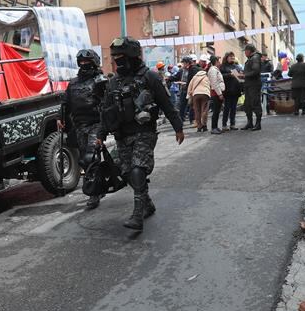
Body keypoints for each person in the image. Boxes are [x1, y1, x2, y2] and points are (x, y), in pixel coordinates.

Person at [98, 37, 184, 232]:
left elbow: (166, 104)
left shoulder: (150, 77)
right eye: (115, 57)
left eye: (121, 56)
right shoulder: (114, 82)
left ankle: (138, 215)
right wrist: (100, 135)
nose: (117, 60)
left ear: (132, 56)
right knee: (127, 173)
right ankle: (147, 203)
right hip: (122, 134)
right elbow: (106, 111)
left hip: (144, 132)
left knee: (138, 170)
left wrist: (178, 127)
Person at [60, 49, 106, 209]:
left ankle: (94, 193)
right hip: (79, 126)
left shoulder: (100, 81)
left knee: (90, 157)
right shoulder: (73, 83)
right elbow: (65, 102)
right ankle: (98, 185)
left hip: (96, 124)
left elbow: (108, 103)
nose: (84, 64)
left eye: (87, 62)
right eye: (82, 62)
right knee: (84, 160)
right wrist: (61, 118)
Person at [238, 44, 263, 131]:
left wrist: (245, 75)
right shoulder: (251, 58)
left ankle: (258, 124)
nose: (245, 53)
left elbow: (256, 70)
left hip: (254, 85)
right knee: (247, 104)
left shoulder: (255, 58)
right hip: (249, 84)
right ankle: (250, 123)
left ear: (249, 51)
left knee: (255, 103)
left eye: (245, 51)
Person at [220, 51, 242, 130]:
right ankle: (224, 125)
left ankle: (232, 124)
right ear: (226, 58)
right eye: (230, 56)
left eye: (233, 56)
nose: (232, 58)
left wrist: (241, 75)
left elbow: (240, 77)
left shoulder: (237, 66)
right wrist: (230, 74)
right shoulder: (223, 67)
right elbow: (220, 76)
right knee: (227, 108)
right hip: (227, 90)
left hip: (236, 90)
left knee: (233, 108)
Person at [188, 60, 211, 132]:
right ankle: (204, 125)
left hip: (196, 94)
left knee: (197, 111)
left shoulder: (194, 77)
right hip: (205, 94)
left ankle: (199, 126)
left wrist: (189, 96)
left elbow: (189, 87)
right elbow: (210, 85)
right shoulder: (206, 77)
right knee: (204, 110)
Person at [207, 55, 226, 134]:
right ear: (215, 61)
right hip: (216, 93)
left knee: (217, 111)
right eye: (218, 61)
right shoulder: (213, 70)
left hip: (217, 92)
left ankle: (215, 126)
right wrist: (219, 94)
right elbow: (214, 83)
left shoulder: (215, 69)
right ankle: (213, 127)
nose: (219, 62)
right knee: (215, 111)